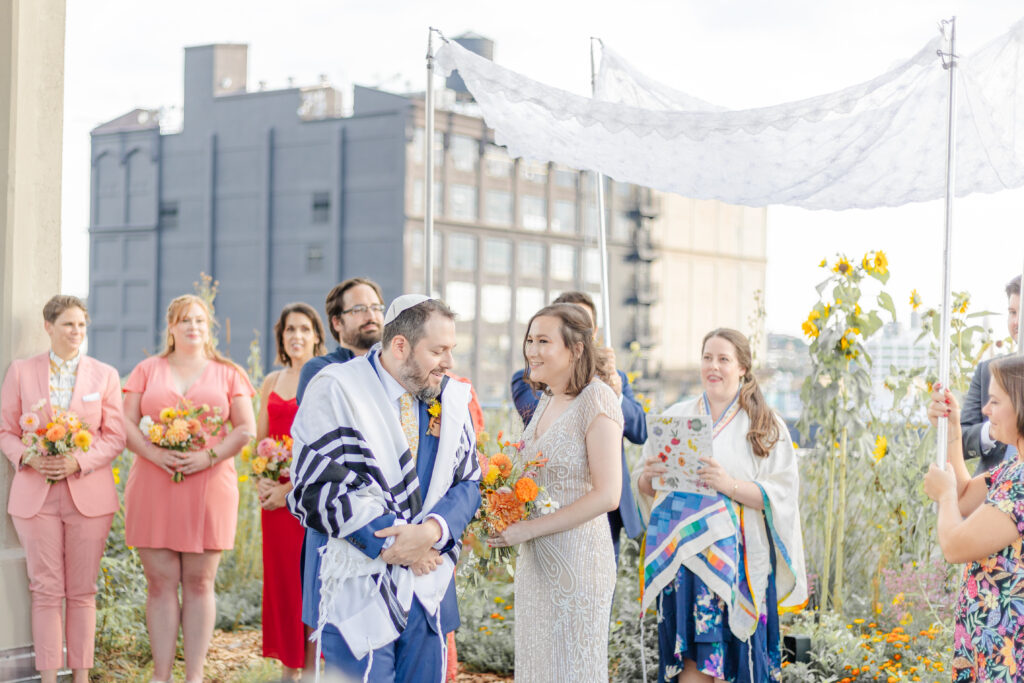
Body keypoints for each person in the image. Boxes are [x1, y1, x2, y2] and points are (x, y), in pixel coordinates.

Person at [288, 295, 481, 683]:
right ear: (400, 346)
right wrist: (401, 546)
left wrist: (431, 533)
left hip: (429, 587)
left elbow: (469, 481)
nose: (449, 362)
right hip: (356, 585)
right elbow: (314, 489)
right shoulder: (336, 389)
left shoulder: (450, 396)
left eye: (451, 350)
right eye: (438, 350)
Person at [635, 328, 807, 683]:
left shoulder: (764, 424)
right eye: (707, 357)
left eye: (723, 359)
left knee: (738, 665)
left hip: (740, 565)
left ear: (742, 367)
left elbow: (782, 495)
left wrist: (726, 484)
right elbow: (644, 486)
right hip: (685, 564)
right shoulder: (675, 417)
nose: (713, 366)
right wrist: (649, 478)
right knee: (690, 667)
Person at [122, 294, 256, 683]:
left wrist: (207, 457)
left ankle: (194, 676)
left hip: (210, 484)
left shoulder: (228, 372)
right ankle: (161, 676)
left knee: (200, 583)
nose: (192, 327)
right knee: (160, 583)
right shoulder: (146, 369)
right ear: (171, 327)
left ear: (208, 326)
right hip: (153, 481)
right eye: (184, 320)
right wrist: (153, 453)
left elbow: (245, 428)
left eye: (199, 320)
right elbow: (126, 423)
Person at [489, 303, 624, 683]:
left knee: (571, 670)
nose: (531, 350)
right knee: (538, 668)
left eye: (543, 341)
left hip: (579, 563)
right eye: (529, 339)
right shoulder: (547, 397)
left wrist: (529, 529)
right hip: (537, 565)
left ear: (576, 348)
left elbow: (608, 494)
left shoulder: (598, 399)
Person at [0, 295, 126, 683]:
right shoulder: (21, 371)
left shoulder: (104, 375)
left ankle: (82, 677)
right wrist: (30, 457)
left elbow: (115, 435)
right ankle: (49, 676)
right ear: (49, 326)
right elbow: (6, 431)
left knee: (83, 589)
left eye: (82, 326)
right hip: (34, 496)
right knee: (45, 589)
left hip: (89, 494)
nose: (76, 332)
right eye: (69, 324)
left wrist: (79, 460)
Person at [509, 290, 645, 560]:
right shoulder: (539, 385)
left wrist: (613, 390)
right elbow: (547, 427)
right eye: (531, 340)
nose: (533, 350)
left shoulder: (608, 384)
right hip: (544, 522)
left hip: (598, 521)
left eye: (586, 327)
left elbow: (640, 431)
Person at [924, 358, 1024, 678]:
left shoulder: (1021, 481)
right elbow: (967, 496)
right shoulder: (1013, 469)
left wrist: (944, 496)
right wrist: (953, 428)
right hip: (990, 647)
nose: (985, 410)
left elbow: (954, 546)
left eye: (995, 401)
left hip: (1006, 657)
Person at [255, 303, 326, 680]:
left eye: (304, 329)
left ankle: (314, 669)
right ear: (281, 337)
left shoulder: (325, 378)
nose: (296, 336)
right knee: (283, 585)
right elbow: (260, 442)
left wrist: (289, 489)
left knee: (310, 583)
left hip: (309, 501)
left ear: (317, 335)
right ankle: (288, 668)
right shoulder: (270, 382)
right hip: (275, 509)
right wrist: (263, 481)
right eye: (289, 330)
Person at [962, 275, 1021, 473]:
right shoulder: (988, 371)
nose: (1017, 322)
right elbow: (960, 439)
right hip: (988, 493)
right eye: (1012, 312)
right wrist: (994, 428)